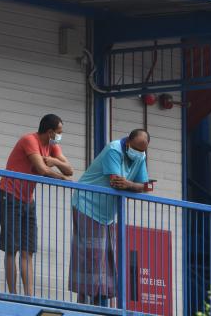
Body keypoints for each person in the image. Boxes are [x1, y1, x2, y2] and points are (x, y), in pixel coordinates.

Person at [69, 129, 151, 307]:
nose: (139, 153)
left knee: (108, 257)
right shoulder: (114, 149)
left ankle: (102, 302)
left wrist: (130, 184)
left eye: (142, 150)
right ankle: (84, 304)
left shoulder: (140, 156)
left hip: (107, 214)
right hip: (87, 204)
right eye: (136, 148)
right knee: (92, 254)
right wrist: (135, 186)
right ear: (128, 143)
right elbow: (115, 182)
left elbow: (147, 186)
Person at [0, 114, 74, 296]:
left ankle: (29, 296)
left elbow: (69, 168)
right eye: (59, 133)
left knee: (27, 250)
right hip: (9, 196)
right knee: (11, 248)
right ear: (50, 132)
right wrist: (62, 178)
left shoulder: (52, 146)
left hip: (27, 200)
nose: (60, 136)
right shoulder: (29, 140)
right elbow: (42, 169)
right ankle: (13, 294)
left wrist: (55, 161)